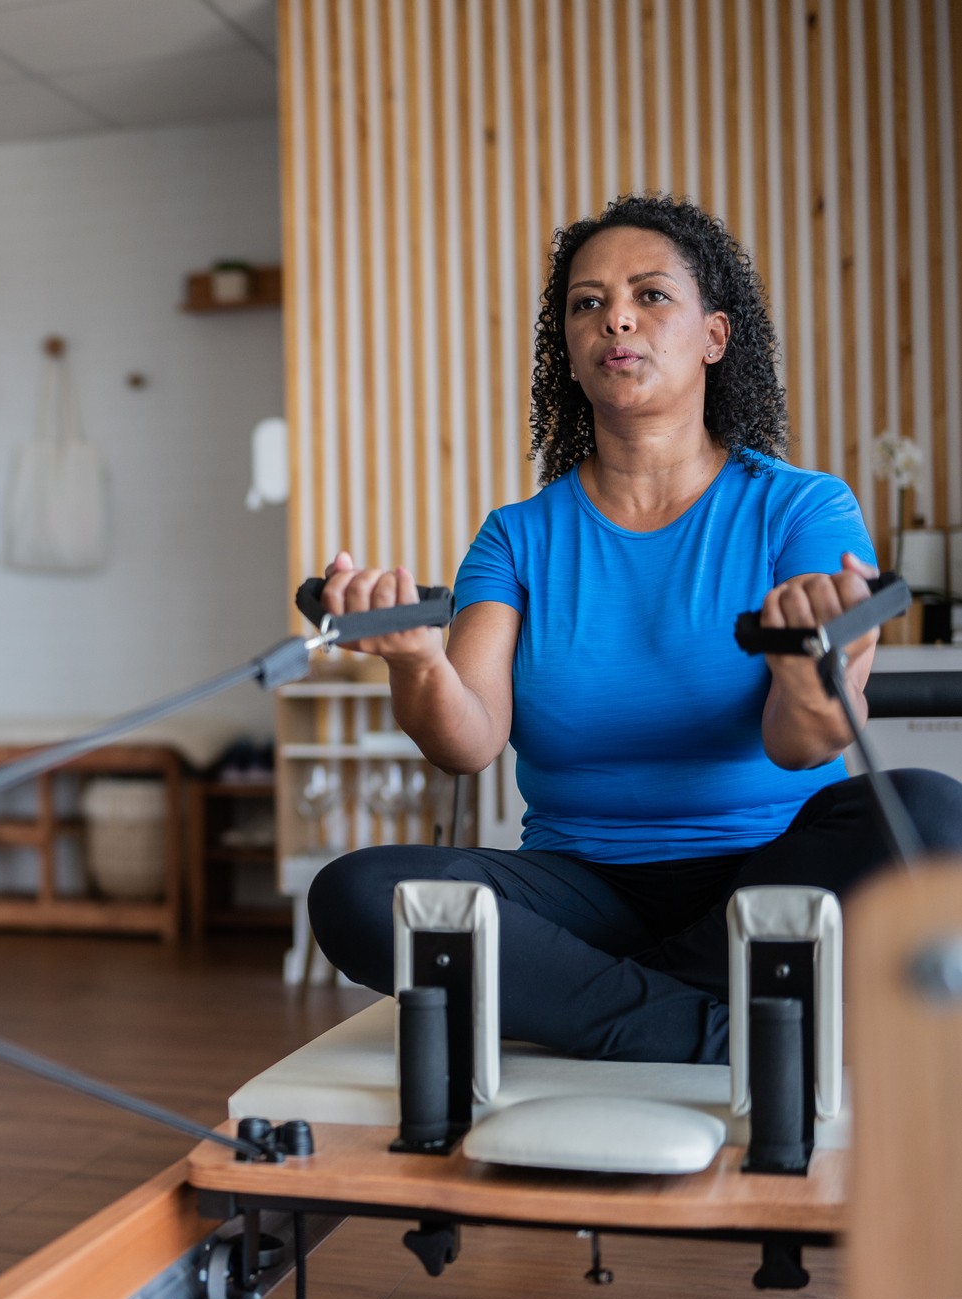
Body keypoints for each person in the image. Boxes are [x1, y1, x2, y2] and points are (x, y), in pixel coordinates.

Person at [307, 193, 962, 1065]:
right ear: (571, 358)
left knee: (929, 812)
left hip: (763, 875)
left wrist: (814, 671)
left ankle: (590, 996)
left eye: (651, 294)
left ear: (713, 337)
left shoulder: (799, 507)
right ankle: (721, 1026)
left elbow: (803, 747)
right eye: (587, 303)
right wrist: (419, 663)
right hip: (579, 886)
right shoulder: (516, 536)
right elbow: (467, 742)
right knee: (356, 893)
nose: (615, 315)